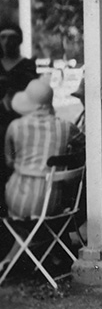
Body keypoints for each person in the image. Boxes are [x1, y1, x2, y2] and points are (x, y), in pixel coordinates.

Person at [4, 78, 81, 220]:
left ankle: (26, 240)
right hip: (51, 203)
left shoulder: (15, 126)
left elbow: (9, 162)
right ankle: (43, 239)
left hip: (18, 202)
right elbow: (86, 148)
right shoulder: (66, 127)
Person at [0, 24, 39, 191]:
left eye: (12, 37)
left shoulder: (27, 65)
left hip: (21, 123)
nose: (8, 42)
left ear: (20, 40)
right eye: (3, 37)